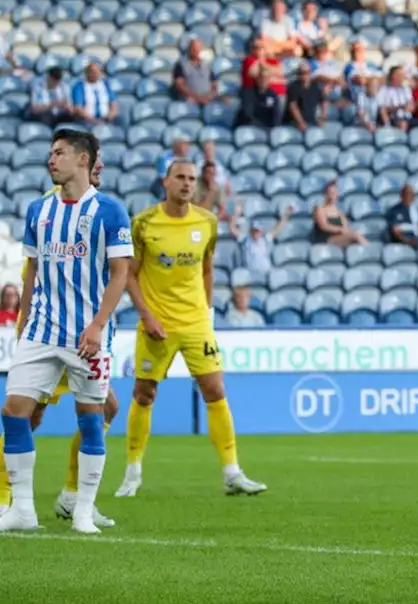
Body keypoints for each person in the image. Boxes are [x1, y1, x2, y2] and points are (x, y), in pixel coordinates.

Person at [0, 131, 131, 534]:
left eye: (59, 153)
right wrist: (22, 326)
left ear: (83, 160)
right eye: (51, 153)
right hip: (40, 330)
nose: (51, 159)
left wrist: (97, 325)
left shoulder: (110, 211)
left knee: (93, 417)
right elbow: (31, 271)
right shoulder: (39, 210)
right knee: (14, 412)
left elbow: (120, 273)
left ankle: (82, 510)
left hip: (87, 336)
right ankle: (21, 509)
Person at [114, 161, 266, 500]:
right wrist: (146, 316)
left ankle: (232, 472)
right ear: (166, 181)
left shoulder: (207, 221)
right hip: (157, 324)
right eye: (180, 177)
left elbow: (207, 270)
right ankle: (133, 472)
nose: (187, 184)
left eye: (192, 179)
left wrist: (207, 312)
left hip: (196, 322)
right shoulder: (144, 223)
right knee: (144, 394)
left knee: (215, 390)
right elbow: (130, 275)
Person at [311, 181, 367, 246]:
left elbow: (345, 226)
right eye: (331, 193)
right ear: (325, 194)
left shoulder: (339, 212)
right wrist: (340, 229)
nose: (333, 195)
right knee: (356, 236)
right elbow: (324, 226)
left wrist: (344, 229)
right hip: (325, 239)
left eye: (335, 193)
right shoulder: (319, 209)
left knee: (356, 235)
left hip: (338, 237)